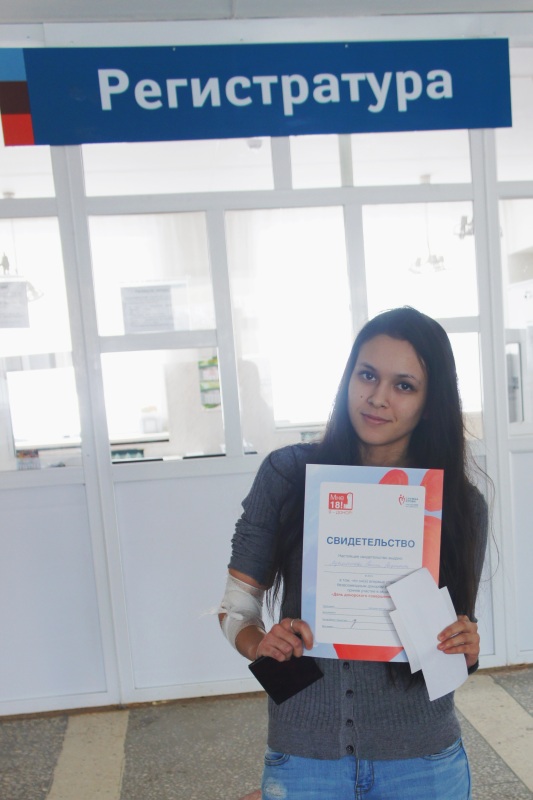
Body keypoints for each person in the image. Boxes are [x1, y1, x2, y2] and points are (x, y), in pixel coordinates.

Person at [219, 307, 488, 800]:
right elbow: (235, 608)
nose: (378, 397)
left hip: (422, 760)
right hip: (305, 754)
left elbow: (450, 645)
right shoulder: (286, 475)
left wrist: (464, 648)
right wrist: (260, 644)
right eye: (367, 375)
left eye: (403, 385)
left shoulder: (457, 504)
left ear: (430, 403)